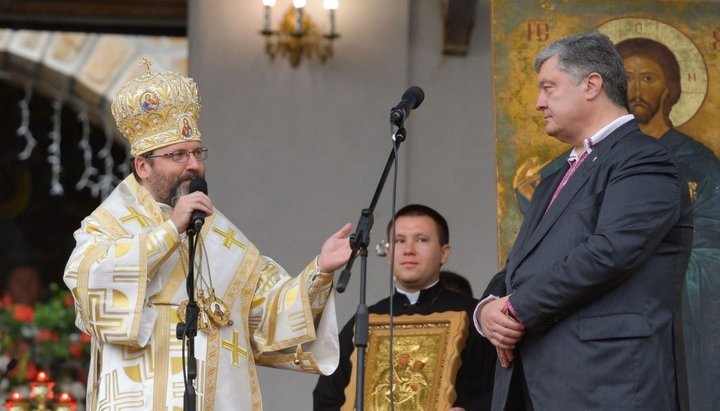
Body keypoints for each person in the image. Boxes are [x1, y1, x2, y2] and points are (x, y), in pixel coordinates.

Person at [63, 64, 353, 410]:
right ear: (143, 166)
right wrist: (170, 233)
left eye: (197, 153)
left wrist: (320, 269)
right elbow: (87, 283)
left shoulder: (219, 234)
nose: (194, 165)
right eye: (177, 155)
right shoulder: (110, 225)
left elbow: (269, 314)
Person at [476, 31, 693, 411]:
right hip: (537, 383)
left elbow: (609, 252)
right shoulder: (555, 178)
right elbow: (518, 268)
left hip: (607, 384)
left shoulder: (643, 159)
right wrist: (488, 308)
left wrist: (515, 308)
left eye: (548, 87)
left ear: (592, 84)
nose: (538, 103)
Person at [617, 38, 720, 410]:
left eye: (649, 78)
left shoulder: (699, 163)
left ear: (671, 89)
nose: (636, 88)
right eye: (626, 77)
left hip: (682, 318)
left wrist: (649, 262)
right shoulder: (598, 160)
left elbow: (714, 250)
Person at [313, 204, 496, 411]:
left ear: (444, 253)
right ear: (389, 253)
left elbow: (508, 390)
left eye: (421, 240)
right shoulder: (366, 319)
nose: (409, 250)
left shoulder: (476, 317)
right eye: (399, 241)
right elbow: (326, 397)